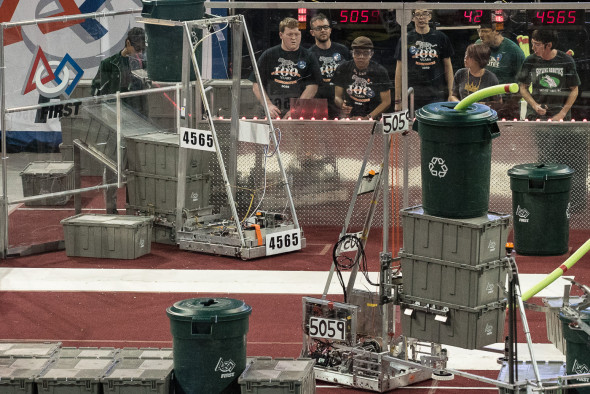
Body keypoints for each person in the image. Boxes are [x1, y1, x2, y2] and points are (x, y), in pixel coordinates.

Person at [91, 27, 147, 214]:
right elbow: (95, 91)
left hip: (136, 123)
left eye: (142, 50)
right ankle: (111, 207)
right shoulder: (109, 64)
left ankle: (134, 207)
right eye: (137, 49)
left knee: (135, 167)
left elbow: (145, 96)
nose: (139, 53)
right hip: (113, 122)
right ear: (128, 43)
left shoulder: (143, 64)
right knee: (111, 165)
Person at [250, 17, 320, 119]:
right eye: (290, 34)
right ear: (281, 35)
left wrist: (296, 109)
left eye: (297, 34)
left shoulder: (308, 56)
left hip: (298, 112)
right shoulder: (269, 55)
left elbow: (312, 87)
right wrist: (267, 105)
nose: (294, 38)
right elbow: (256, 84)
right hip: (270, 111)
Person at [394, 7, 454, 112]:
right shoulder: (405, 38)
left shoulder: (441, 37)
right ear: (412, 18)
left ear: (430, 16)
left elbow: (448, 67)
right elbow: (399, 70)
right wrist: (398, 100)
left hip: (436, 95)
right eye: (417, 14)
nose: (421, 18)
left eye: (425, 14)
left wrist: (451, 94)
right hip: (413, 95)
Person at [517, 30, 580, 121]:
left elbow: (574, 89)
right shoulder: (530, 60)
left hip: (560, 115)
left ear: (549, 45)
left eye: (537, 44)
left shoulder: (566, 60)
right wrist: (535, 105)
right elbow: (523, 88)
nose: (533, 48)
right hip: (536, 115)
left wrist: (563, 113)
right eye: (532, 43)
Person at [332, 36, 392, 120]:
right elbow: (337, 97)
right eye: (357, 53)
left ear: (371, 54)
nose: (361, 56)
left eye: (365, 53)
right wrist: (342, 105)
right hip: (349, 117)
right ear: (352, 53)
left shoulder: (380, 71)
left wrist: (368, 117)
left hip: (373, 117)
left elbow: (386, 102)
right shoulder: (343, 68)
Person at [477, 21, 525, 119]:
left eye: (485, 31)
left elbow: (524, 86)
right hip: (481, 104)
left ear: (497, 31)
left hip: (507, 107)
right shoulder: (478, 46)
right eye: (479, 31)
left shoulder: (514, 51)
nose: (481, 35)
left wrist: (505, 107)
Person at [309, 13, 351, 119]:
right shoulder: (309, 54)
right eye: (318, 28)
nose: (323, 30)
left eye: (325, 27)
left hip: (340, 103)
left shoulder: (343, 50)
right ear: (312, 32)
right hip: (317, 104)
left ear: (330, 30)